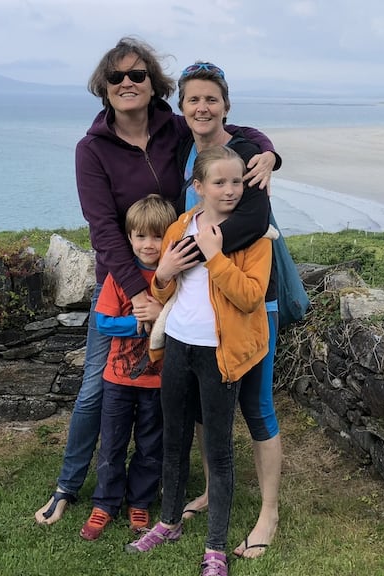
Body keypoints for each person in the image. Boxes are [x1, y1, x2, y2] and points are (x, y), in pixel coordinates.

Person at [34, 36, 278, 526]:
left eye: (137, 74)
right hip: (128, 283)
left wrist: (269, 151)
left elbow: (227, 130)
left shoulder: (175, 129)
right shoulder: (92, 149)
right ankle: (67, 485)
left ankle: (155, 484)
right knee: (97, 386)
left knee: (169, 390)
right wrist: (139, 292)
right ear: (104, 87)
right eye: (116, 76)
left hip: (184, 282)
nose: (127, 82)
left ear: (153, 84)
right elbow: (103, 231)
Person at [125, 146, 273, 576]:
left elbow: (250, 297)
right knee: (174, 441)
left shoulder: (255, 238)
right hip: (178, 346)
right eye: (219, 182)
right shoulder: (180, 226)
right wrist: (164, 272)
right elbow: (163, 291)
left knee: (219, 450)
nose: (230, 190)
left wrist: (215, 256)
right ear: (198, 187)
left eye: (237, 181)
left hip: (219, 354)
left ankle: (215, 548)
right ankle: (168, 522)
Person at [175, 61, 283, 560]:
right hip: (204, 305)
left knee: (257, 406)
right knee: (204, 407)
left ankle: (268, 513)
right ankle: (210, 490)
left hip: (253, 298)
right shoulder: (187, 153)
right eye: (193, 99)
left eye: (211, 99)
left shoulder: (247, 156)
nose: (202, 107)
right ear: (181, 107)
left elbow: (254, 222)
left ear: (226, 105)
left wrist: (188, 253)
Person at [78, 195, 177, 541]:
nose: (148, 244)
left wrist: (160, 319)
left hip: (157, 381)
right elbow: (104, 322)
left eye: (157, 236)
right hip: (118, 380)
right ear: (129, 237)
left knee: (150, 445)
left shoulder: (173, 279)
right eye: (140, 236)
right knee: (112, 444)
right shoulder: (120, 277)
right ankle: (105, 502)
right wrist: (138, 325)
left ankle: (140, 500)